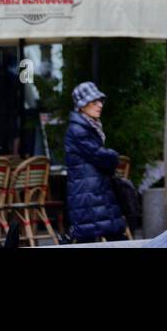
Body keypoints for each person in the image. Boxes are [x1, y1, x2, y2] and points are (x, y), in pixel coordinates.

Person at [63, 81, 126, 243]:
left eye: (100, 101)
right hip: (88, 193)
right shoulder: (79, 129)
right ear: (82, 105)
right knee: (98, 235)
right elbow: (99, 155)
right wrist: (113, 155)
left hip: (94, 191)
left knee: (107, 233)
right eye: (94, 102)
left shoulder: (89, 125)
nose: (99, 105)